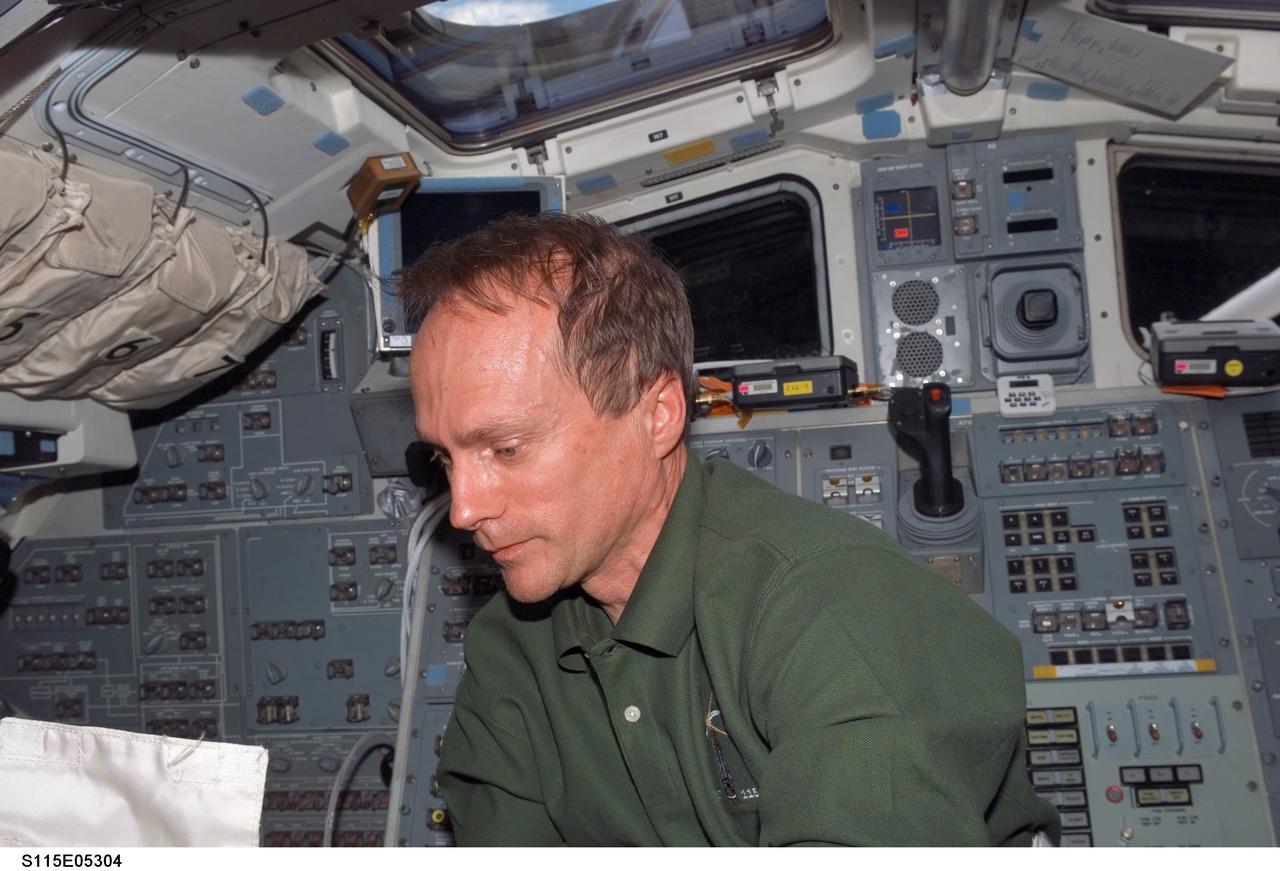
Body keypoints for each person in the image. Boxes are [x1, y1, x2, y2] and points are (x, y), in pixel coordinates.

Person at [401, 212, 1061, 846]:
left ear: (657, 413)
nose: (463, 509)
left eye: (507, 448)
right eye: (444, 458)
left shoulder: (831, 609)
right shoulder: (508, 647)